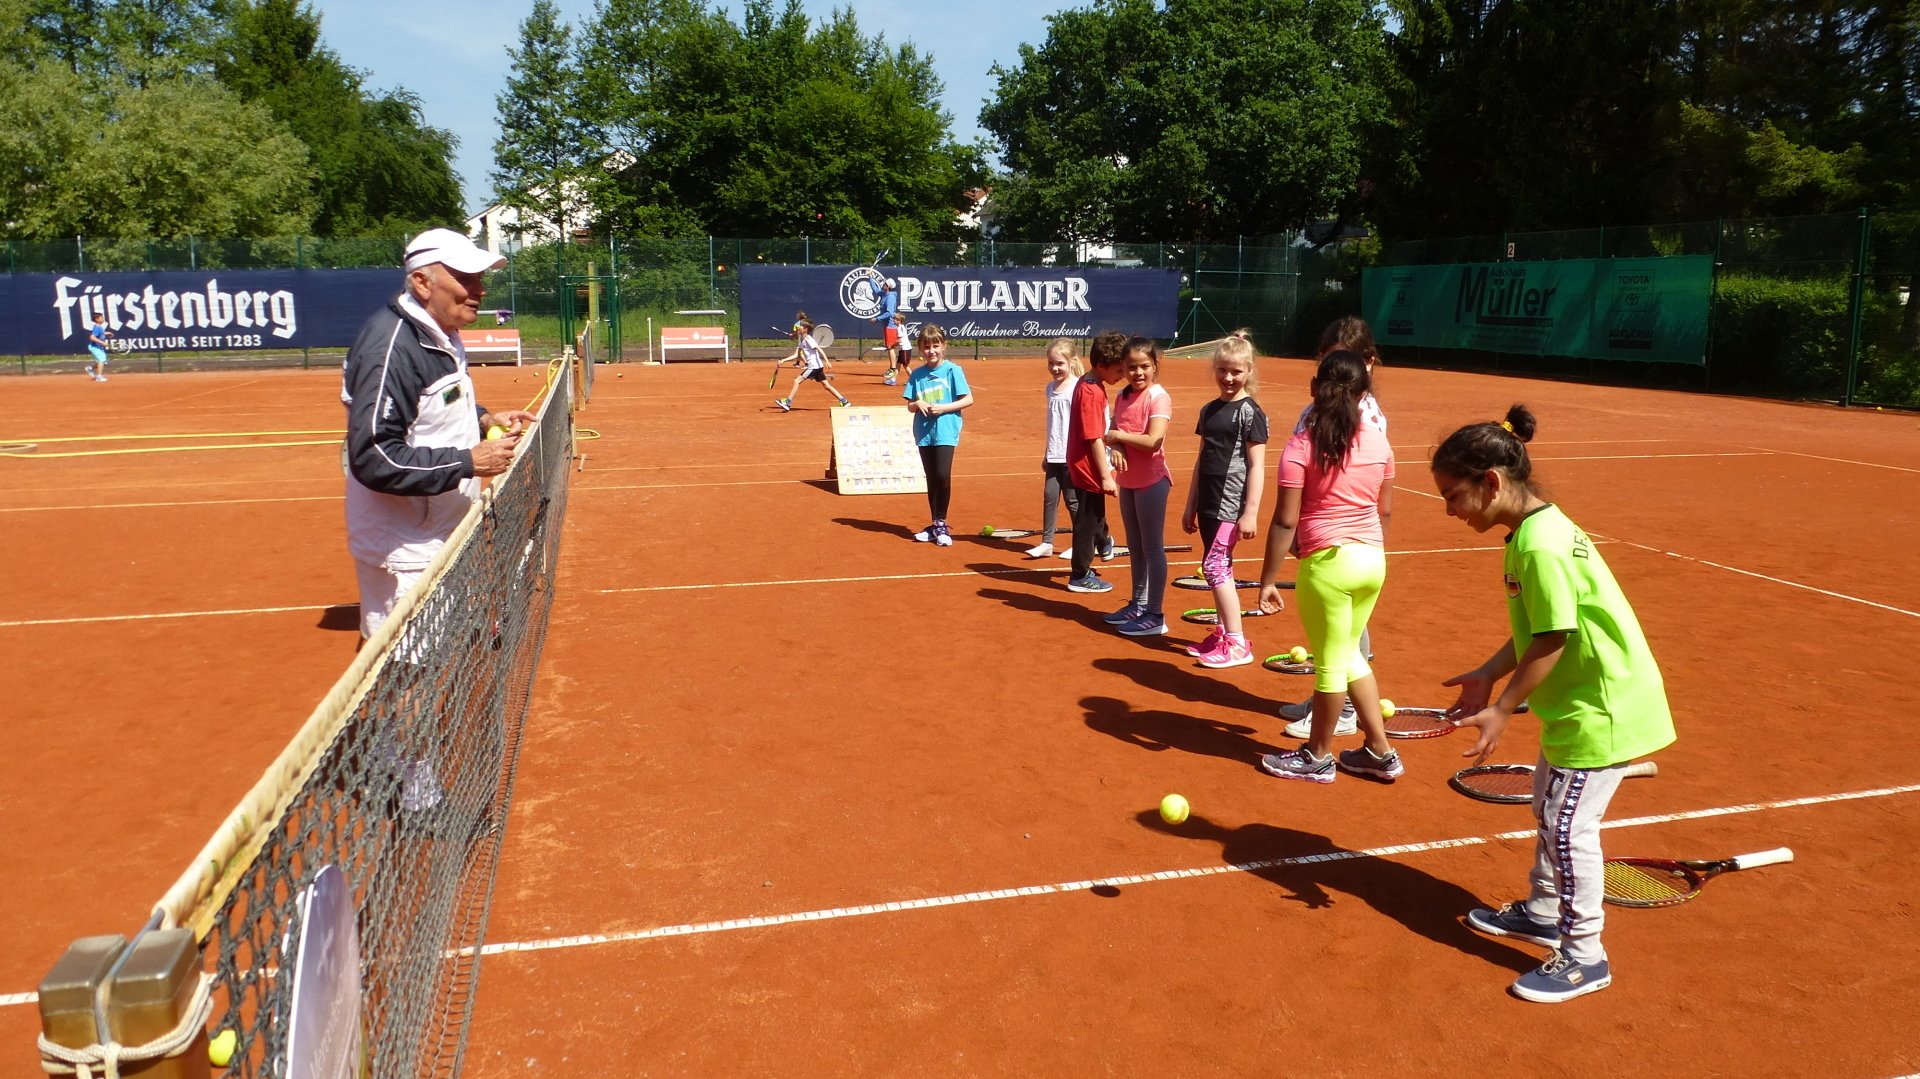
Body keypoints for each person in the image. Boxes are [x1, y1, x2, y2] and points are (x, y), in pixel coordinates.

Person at [1435, 405, 1676, 1004]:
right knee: (1549, 807)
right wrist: (1488, 673)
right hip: (1579, 703)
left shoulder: (1540, 546)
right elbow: (1537, 627)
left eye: (1454, 495)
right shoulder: (1532, 531)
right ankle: (1544, 912)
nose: (1450, 510)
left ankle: (1585, 955)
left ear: (1492, 482)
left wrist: (1502, 707)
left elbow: (1553, 637)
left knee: (1568, 827)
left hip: (1601, 708)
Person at [342, 227, 538, 642]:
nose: (479, 290)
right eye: (466, 279)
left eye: (479, 278)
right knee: (408, 665)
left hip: (439, 531)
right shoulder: (391, 349)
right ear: (421, 282)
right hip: (406, 549)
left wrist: (483, 418)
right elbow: (374, 457)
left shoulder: (440, 331)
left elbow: (438, 404)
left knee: (443, 655)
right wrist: (469, 461)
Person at [1253, 349, 1398, 784]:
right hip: (1372, 561)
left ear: (1314, 388)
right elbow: (1384, 510)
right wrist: (1367, 548)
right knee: (1351, 656)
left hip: (1329, 566)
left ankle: (1317, 756)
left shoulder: (1301, 445)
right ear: (1364, 394)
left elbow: (1285, 521)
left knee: (1331, 663)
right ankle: (1381, 751)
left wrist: (1267, 580)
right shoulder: (1379, 442)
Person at [1277, 316, 1389, 735]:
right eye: (1327, 358)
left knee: (1346, 635)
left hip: (1343, 541)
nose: (1334, 370)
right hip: (1323, 537)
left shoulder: (1367, 416)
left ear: (1367, 364)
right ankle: (1328, 701)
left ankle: (1342, 713)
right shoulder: (1319, 409)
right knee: (1333, 633)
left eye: (1346, 360)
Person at [1182, 332, 1268, 667]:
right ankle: (1222, 635)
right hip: (1207, 502)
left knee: (1214, 566)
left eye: (1236, 371)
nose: (1228, 378)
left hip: (1230, 504)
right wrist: (1190, 504)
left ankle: (1237, 643)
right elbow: (1200, 459)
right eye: (1222, 370)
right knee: (1217, 565)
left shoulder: (1250, 413)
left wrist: (1251, 512)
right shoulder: (1208, 410)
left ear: (1249, 371)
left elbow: (1257, 465)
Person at [1101, 336, 1174, 636]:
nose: (1138, 372)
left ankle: (1155, 614)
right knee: (1134, 546)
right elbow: (1113, 429)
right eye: (1131, 367)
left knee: (1152, 547)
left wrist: (1118, 438)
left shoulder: (1158, 397)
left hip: (1152, 482)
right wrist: (1116, 445)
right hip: (1128, 481)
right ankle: (1138, 604)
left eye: (1144, 366)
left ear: (1155, 366)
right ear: (1123, 367)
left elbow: (1153, 440)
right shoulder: (1122, 396)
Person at [1065, 331, 1127, 593]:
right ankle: (1080, 574)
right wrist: (1105, 476)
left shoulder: (1090, 383)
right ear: (1102, 365)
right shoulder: (1091, 392)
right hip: (1088, 466)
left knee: (1096, 512)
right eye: (1119, 370)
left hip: (1086, 463)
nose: (1123, 375)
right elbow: (1093, 438)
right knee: (1087, 520)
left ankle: (1104, 541)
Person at [902, 323, 973, 545]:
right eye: (926, 347)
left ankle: (941, 521)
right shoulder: (917, 375)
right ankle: (935, 524)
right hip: (924, 432)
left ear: (944, 346)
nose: (931, 351)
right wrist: (918, 403)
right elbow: (910, 405)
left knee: (942, 475)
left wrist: (943, 408)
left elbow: (968, 399)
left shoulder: (953, 370)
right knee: (931, 478)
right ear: (920, 349)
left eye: (935, 346)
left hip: (946, 431)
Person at [1027, 338, 1084, 559]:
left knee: (1072, 500)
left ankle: (1083, 542)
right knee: (1050, 497)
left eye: (1060, 363)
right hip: (1054, 454)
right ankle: (1047, 543)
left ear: (1072, 362)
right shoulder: (1050, 388)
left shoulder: (1078, 388)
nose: (1055, 368)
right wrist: (1046, 453)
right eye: (1051, 363)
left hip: (1072, 455)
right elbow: (1053, 424)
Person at [775, 317, 851, 411]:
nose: (797, 328)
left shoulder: (808, 339)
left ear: (805, 329)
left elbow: (819, 349)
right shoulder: (802, 341)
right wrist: (783, 360)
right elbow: (796, 355)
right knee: (826, 385)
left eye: (800, 326)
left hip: (813, 367)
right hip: (818, 367)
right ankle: (844, 401)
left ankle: (788, 402)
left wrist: (827, 360)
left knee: (797, 381)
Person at [872, 280, 902, 386]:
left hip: (890, 326)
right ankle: (892, 369)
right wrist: (870, 277)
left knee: (890, 347)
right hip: (886, 325)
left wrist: (877, 319)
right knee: (889, 347)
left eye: (884, 284)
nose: (882, 285)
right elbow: (876, 290)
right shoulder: (884, 294)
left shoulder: (890, 297)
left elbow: (889, 313)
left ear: (888, 286)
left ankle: (893, 369)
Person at [84, 312, 111, 381]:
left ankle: (90, 369)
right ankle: (99, 376)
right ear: (96, 319)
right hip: (94, 347)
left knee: (102, 361)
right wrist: (103, 342)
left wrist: (107, 333)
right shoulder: (97, 327)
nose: (103, 319)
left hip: (97, 347)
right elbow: (92, 337)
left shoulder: (99, 327)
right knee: (102, 359)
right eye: (101, 317)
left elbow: (101, 334)